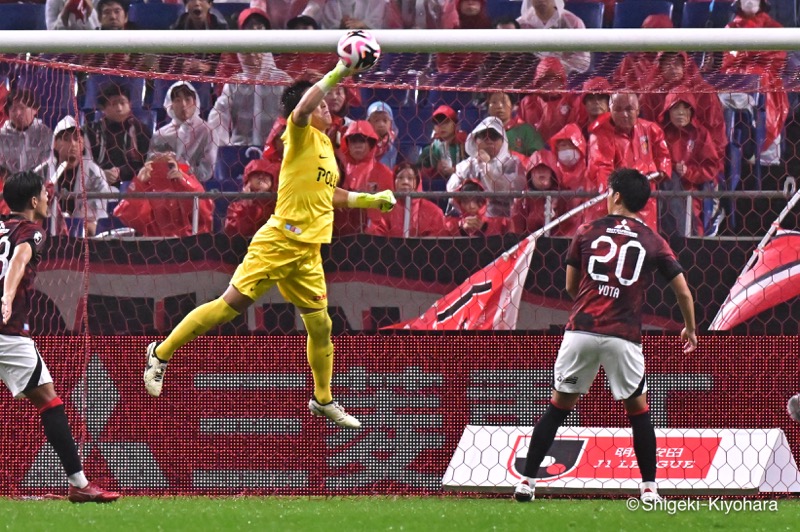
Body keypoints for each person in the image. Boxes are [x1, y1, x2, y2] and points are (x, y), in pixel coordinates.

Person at [142, 63, 397, 430]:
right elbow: (304, 109)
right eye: (323, 104)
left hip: (309, 251)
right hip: (279, 242)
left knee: (321, 326)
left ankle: (322, 399)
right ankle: (160, 353)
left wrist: (370, 201)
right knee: (226, 309)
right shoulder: (300, 132)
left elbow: (328, 194)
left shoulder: (326, 146)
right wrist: (340, 70)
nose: (328, 109)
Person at [513, 168, 697, 504]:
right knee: (638, 411)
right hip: (623, 336)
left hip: (581, 330)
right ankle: (649, 489)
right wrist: (690, 327)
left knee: (558, 407)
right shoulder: (653, 240)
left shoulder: (586, 230)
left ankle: (526, 481)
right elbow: (683, 291)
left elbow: (570, 286)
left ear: (616, 195)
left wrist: (593, 299)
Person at [0, 171, 121, 503]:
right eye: (44, 192)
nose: (49, 197)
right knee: (49, 400)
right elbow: (20, 260)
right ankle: (79, 484)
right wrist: (7, 296)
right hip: (6, 334)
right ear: (34, 202)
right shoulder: (32, 232)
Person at [587, 93, 671, 230]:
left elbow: (664, 157)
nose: (624, 115)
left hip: (644, 200)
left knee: (643, 241)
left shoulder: (651, 129)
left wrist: (661, 171)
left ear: (638, 110)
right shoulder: (600, 135)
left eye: (629, 109)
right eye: (618, 110)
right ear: (610, 110)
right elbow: (601, 167)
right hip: (614, 201)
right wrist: (615, 189)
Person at [35, 116, 111, 237]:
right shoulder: (41, 172)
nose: (73, 144)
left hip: (84, 235)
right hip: (47, 233)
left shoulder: (94, 173)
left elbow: (97, 215)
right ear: (55, 143)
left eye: (77, 139)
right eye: (66, 139)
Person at [659, 93, 722, 237]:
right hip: (663, 187)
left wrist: (688, 172)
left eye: (685, 108)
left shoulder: (701, 134)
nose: (681, 112)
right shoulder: (660, 133)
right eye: (675, 108)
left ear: (692, 111)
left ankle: (689, 242)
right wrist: (673, 167)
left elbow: (711, 167)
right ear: (668, 111)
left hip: (692, 187)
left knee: (688, 209)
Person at [113, 150, 213, 237]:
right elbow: (131, 219)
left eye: (169, 164)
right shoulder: (146, 185)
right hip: (154, 244)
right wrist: (138, 184)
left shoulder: (187, 181)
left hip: (188, 243)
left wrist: (184, 181)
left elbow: (205, 213)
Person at [447, 116, 525, 218]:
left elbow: (507, 190)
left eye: (494, 136)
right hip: (471, 219)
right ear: (475, 140)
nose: (489, 141)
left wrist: (487, 166)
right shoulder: (467, 165)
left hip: (506, 221)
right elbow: (451, 189)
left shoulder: (513, 163)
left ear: (503, 140)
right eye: (483, 136)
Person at [84, 83, 151, 187]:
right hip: (97, 183)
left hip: (133, 184)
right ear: (103, 108)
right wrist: (101, 174)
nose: (119, 108)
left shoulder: (140, 130)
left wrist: (120, 173)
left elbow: (146, 162)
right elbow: (86, 161)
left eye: (123, 103)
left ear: (130, 105)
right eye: (114, 104)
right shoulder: (91, 131)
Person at [150, 81, 217, 182]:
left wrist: (183, 173)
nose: (183, 105)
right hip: (165, 189)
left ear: (195, 102)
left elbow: (207, 171)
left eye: (188, 99)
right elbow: (150, 167)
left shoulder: (207, 131)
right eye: (177, 100)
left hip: (195, 189)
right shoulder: (160, 134)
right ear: (170, 105)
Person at [366, 162, 446, 237]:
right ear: (394, 181)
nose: (405, 182)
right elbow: (376, 234)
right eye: (400, 178)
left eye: (410, 178)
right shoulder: (384, 209)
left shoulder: (433, 211)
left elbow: (436, 239)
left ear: (417, 182)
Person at [516, 0, 589, 74]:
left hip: (564, 77)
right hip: (530, 77)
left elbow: (583, 60)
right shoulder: (521, 24)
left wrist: (558, 67)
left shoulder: (572, 22)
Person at [0, 89, 53, 178]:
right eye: (13, 109)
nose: (18, 113)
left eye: (22, 108)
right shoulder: (2, 136)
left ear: (35, 109)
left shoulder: (45, 134)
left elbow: (48, 166)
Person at [224, 158, 279, 238]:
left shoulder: (279, 204)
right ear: (247, 180)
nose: (261, 177)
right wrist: (247, 208)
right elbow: (233, 232)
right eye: (256, 174)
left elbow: (291, 228)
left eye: (266, 174)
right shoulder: (236, 207)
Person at [486, 91, 544, 158]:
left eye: (504, 102)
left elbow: (538, 156)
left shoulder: (526, 130)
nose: (499, 106)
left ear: (512, 106)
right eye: (494, 102)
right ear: (488, 108)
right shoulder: (482, 132)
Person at [446, 179, 513, 236]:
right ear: (460, 203)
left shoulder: (501, 223)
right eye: (466, 201)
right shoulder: (452, 224)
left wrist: (484, 227)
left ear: (484, 201)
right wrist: (462, 230)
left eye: (476, 200)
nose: (471, 206)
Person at [366, 101, 398, 168]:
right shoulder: (363, 140)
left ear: (391, 123)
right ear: (369, 122)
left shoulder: (392, 144)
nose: (381, 124)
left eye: (385, 120)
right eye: (376, 120)